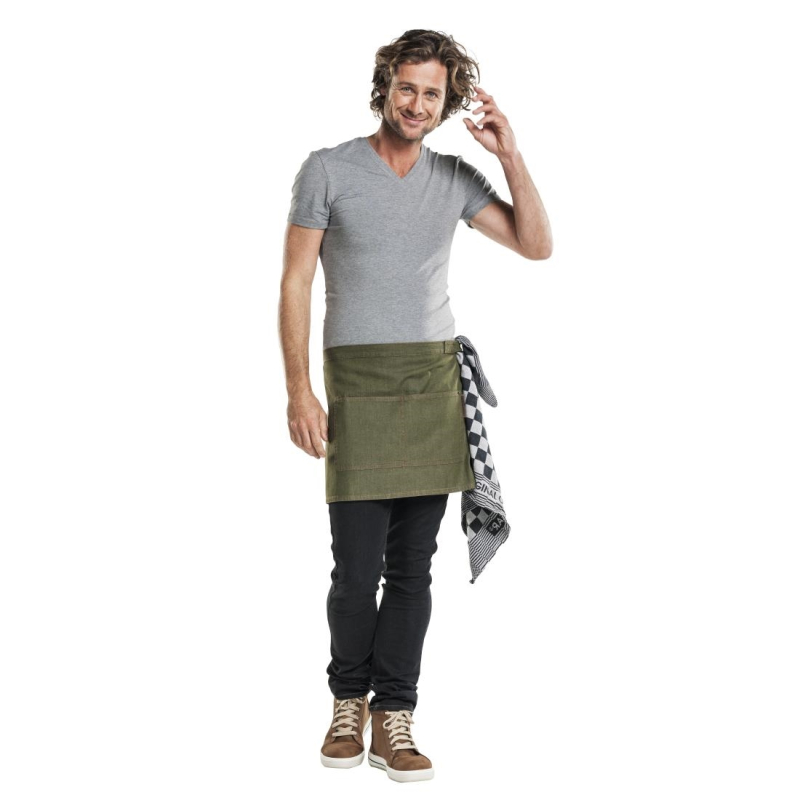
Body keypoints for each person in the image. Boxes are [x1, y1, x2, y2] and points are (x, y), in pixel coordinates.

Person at [279, 29, 552, 782]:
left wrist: (511, 157)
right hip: (357, 386)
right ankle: (348, 701)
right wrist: (300, 390)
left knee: (411, 569)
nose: (418, 104)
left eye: (433, 93)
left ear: (446, 102)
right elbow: (296, 281)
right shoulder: (328, 169)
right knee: (353, 566)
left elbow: (536, 245)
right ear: (385, 87)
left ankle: (394, 715)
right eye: (408, 88)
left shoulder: (455, 177)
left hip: (431, 383)